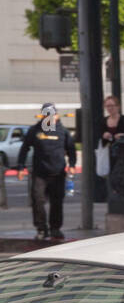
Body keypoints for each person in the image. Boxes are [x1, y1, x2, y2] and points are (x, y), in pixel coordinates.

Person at [16, 103, 76, 241]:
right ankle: (42, 229)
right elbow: (24, 149)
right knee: (38, 201)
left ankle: (55, 229)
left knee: (57, 202)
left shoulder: (63, 131)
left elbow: (71, 149)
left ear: (56, 115)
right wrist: (20, 167)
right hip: (39, 173)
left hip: (58, 173)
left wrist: (72, 164)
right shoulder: (34, 130)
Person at [96, 95, 124, 201]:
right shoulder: (103, 121)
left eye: (112, 106)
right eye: (107, 106)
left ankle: (122, 194)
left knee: (123, 175)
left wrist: (123, 136)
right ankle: (114, 194)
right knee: (111, 176)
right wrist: (104, 136)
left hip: (123, 153)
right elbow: (100, 139)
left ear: (118, 106)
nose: (110, 108)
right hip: (109, 153)